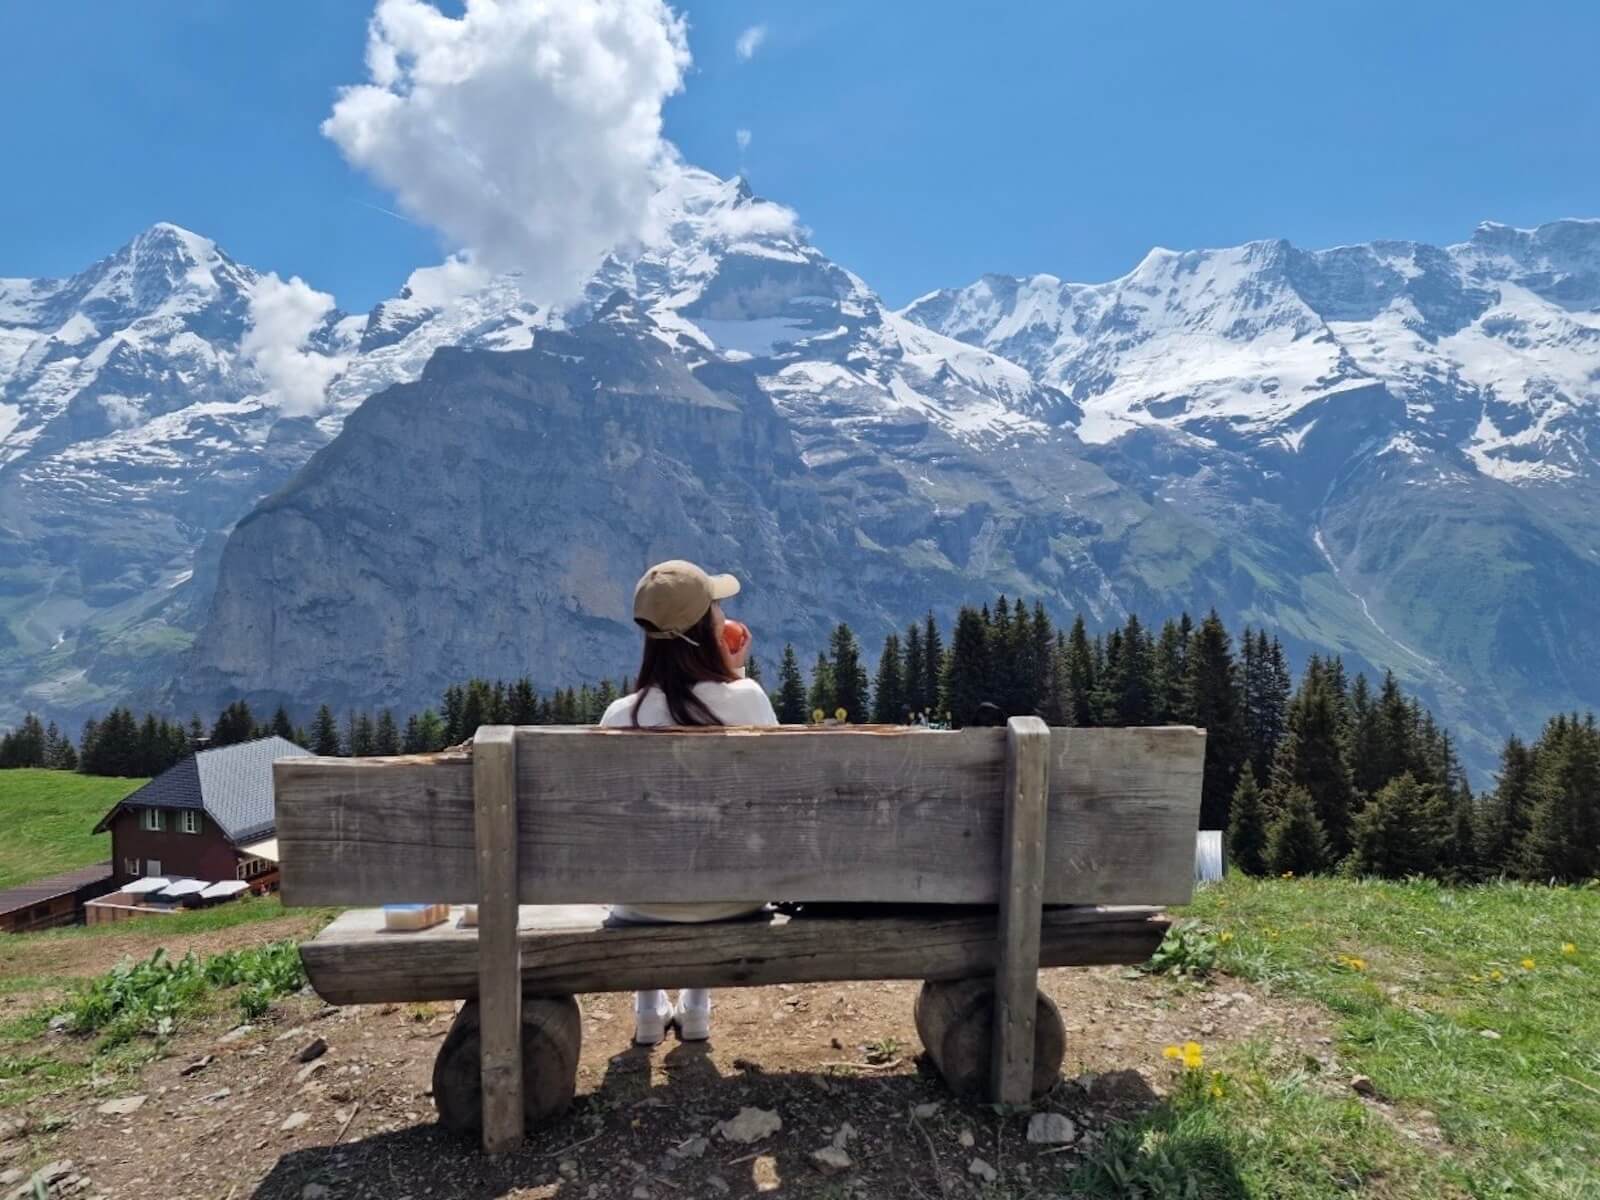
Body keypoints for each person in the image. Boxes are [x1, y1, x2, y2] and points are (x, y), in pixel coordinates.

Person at [599, 559, 777, 1045]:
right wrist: (736, 672)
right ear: (707, 628)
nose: (724, 615)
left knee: (649, 848)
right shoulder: (748, 699)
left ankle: (647, 1009)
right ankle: (695, 1006)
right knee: (711, 845)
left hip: (640, 906)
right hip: (735, 898)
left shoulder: (619, 716)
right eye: (716, 608)